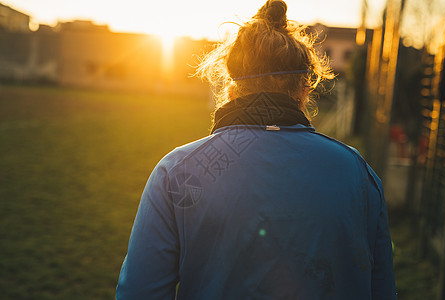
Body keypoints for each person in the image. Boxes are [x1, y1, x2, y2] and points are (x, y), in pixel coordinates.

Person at [116, 0, 397, 299]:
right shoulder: (357, 172)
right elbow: (381, 290)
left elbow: (139, 292)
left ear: (232, 90)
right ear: (304, 90)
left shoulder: (176, 172)